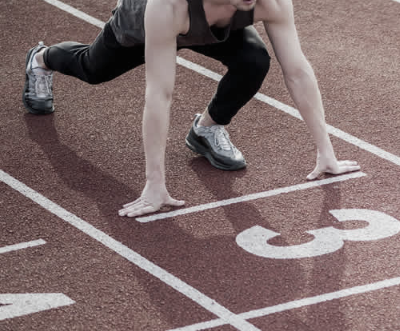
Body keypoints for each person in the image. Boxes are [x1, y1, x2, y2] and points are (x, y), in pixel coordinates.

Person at [23, 0, 360, 217]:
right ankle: (42, 58)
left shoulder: (263, 1)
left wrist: (326, 152)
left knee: (254, 61)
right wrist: (155, 183)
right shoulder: (165, 6)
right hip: (147, 25)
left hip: (214, 24)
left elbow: (298, 72)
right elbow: (159, 94)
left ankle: (207, 128)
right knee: (93, 69)